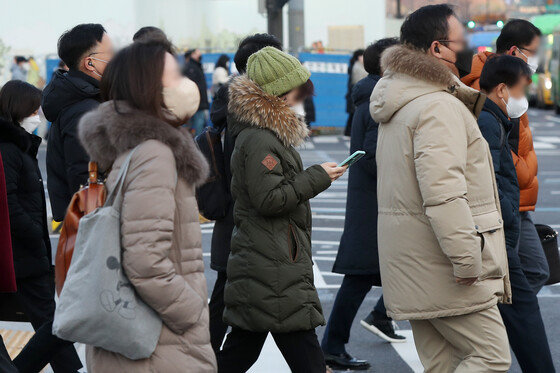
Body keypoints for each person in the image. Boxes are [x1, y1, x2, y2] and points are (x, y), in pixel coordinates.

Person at [370, 5, 512, 372]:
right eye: (460, 39)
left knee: (443, 365)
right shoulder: (437, 106)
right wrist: (467, 258)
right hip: (445, 265)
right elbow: (443, 192)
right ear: (437, 49)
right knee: (491, 357)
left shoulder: (404, 100)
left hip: (417, 262)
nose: (468, 46)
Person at [77, 40, 216, 372]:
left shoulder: (140, 147)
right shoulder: (155, 153)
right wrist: (190, 311)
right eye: (172, 75)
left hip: (148, 339)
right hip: (160, 343)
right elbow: (145, 260)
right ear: (147, 85)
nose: (185, 83)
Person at [217, 47, 347, 372]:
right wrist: (317, 177)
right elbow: (269, 199)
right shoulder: (260, 139)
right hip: (273, 262)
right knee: (304, 355)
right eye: (297, 90)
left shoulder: (264, 134)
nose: (301, 97)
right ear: (278, 91)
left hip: (269, 260)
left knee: (240, 351)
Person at [321, 37, 404, 371]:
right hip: (375, 204)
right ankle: (333, 343)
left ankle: (373, 320)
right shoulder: (376, 100)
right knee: (361, 276)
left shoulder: (371, 96)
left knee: (375, 274)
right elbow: (372, 156)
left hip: (373, 203)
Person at [478, 55, 555, 373]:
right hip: (498, 235)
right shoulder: (487, 121)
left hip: (501, 232)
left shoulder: (493, 118)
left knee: (522, 303)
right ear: (501, 89)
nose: (524, 98)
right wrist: (508, 217)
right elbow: (493, 180)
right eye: (522, 90)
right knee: (524, 313)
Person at [0, 80, 83, 373]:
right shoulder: (9, 149)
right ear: (18, 109)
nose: (38, 115)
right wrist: (35, 231)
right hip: (21, 253)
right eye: (34, 109)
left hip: (24, 253)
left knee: (53, 321)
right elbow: (8, 203)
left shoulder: (19, 146)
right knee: (56, 323)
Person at [462, 19, 549, 295]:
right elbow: (494, 150)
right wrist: (521, 176)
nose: (537, 60)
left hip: (516, 199)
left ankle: (500, 328)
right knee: (532, 272)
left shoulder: (509, 79)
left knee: (524, 274)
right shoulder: (487, 86)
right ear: (514, 51)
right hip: (507, 202)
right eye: (533, 52)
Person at [208, 33, 282, 353]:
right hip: (246, 219)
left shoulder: (238, 103)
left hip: (238, 220)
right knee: (229, 298)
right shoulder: (249, 108)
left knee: (234, 299)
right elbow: (258, 167)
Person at [42, 23, 114, 223]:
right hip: (93, 225)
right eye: (111, 54)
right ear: (90, 63)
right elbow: (84, 179)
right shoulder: (84, 111)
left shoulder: (85, 101)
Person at [183, 48, 209, 135]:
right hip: (196, 103)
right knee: (198, 128)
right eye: (198, 52)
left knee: (199, 127)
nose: (200, 54)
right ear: (193, 54)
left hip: (199, 103)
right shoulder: (190, 67)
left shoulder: (197, 66)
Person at [344, 49, 366, 136]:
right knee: (354, 114)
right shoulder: (358, 67)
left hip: (353, 94)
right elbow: (360, 80)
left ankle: (348, 132)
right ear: (359, 57)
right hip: (356, 94)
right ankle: (349, 132)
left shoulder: (356, 66)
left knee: (353, 114)